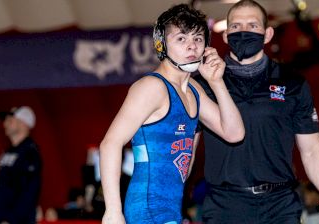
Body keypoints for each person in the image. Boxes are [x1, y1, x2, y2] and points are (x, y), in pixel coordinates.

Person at [195, 1, 319, 223]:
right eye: (236, 26)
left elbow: (311, 150)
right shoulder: (202, 84)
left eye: (252, 25)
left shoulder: (293, 83)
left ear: (267, 34)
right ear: (226, 34)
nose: (244, 32)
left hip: (280, 205)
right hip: (225, 205)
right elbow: (187, 149)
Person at [99, 4, 244, 224]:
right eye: (181, 39)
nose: (191, 46)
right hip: (146, 209)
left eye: (197, 39)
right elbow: (110, 144)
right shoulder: (151, 87)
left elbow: (234, 133)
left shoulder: (194, 90)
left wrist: (216, 83)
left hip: (171, 208)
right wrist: (112, 212)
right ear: (162, 44)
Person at [0, 106, 42, 224]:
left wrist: (11, 219)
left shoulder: (29, 153)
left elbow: (30, 192)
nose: (5, 123)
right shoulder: (8, 152)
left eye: (10, 120)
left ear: (23, 123)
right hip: (2, 218)